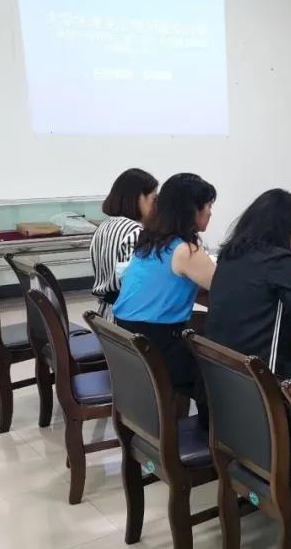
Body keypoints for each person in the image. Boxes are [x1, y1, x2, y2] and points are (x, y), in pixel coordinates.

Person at [112, 172, 216, 413]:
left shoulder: (151, 241)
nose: (210, 213)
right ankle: (213, 433)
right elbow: (228, 288)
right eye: (208, 206)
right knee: (223, 379)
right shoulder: (186, 251)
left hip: (128, 338)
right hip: (157, 347)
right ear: (192, 210)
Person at [206, 189, 291, 380]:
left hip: (220, 371)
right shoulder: (281, 261)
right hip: (262, 377)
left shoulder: (229, 255)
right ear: (287, 228)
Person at [90, 168, 158, 317]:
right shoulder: (135, 232)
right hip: (126, 314)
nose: (155, 206)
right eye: (153, 199)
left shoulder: (104, 226)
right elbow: (135, 283)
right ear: (140, 197)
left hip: (105, 312)